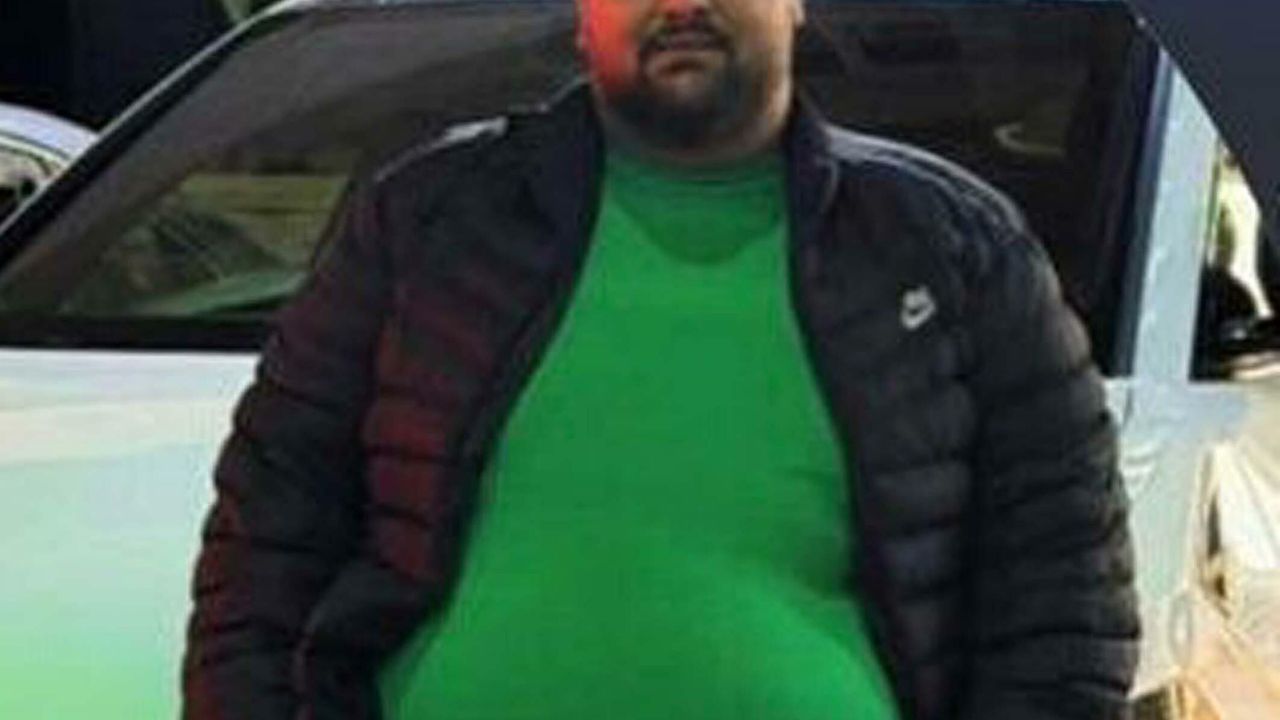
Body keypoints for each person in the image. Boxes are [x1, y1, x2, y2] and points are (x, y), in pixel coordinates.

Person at [181, 0, 1139, 717]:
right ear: (582, 15)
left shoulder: (953, 247)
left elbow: (1063, 596)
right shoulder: (428, 220)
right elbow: (268, 534)